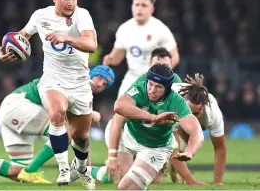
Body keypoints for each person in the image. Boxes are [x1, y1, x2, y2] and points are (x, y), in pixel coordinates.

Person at [0, 0, 97, 189]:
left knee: (81, 136)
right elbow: (20, 36)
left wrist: (66, 37)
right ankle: (62, 169)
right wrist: (2, 52)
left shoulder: (82, 15)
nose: (71, 2)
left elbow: (91, 44)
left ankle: (81, 169)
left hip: (80, 83)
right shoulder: (40, 16)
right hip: (53, 79)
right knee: (56, 113)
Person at [0, 65, 115, 185]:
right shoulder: (75, 81)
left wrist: (87, 169)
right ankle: (31, 170)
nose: (100, 84)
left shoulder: (82, 95)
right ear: (90, 74)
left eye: (105, 84)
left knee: (16, 172)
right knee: (64, 132)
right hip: (19, 106)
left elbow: (81, 136)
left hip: (13, 111)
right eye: (99, 78)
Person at [90, 48, 181, 184]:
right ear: (150, 65)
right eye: (157, 65)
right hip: (124, 132)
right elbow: (117, 121)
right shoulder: (137, 86)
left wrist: (176, 160)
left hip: (148, 137)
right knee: (122, 179)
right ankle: (85, 170)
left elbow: (175, 127)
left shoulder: (177, 86)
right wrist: (112, 156)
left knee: (157, 181)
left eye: (166, 66)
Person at [109, 64, 204, 190]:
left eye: (158, 87)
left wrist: (189, 151)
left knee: (126, 187)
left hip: (155, 148)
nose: (152, 90)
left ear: (167, 88)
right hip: (129, 137)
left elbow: (196, 131)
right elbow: (119, 106)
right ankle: (85, 170)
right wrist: (153, 117)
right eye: (150, 84)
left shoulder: (176, 102)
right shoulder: (140, 88)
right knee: (118, 175)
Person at [103, 0, 180, 97]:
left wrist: (162, 76)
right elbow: (118, 57)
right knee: (119, 110)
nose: (139, 8)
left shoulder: (161, 29)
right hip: (133, 77)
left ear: (152, 9)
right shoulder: (124, 29)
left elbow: (175, 57)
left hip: (155, 80)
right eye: (137, 5)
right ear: (132, 7)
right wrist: (109, 59)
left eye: (144, 5)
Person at [168, 74, 226, 185]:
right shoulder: (174, 105)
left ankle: (174, 169)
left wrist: (217, 182)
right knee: (158, 177)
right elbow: (172, 147)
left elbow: (220, 148)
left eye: (196, 113)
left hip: (184, 126)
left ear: (204, 107)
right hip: (155, 109)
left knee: (188, 149)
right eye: (189, 111)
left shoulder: (214, 113)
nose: (192, 116)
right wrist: (192, 182)